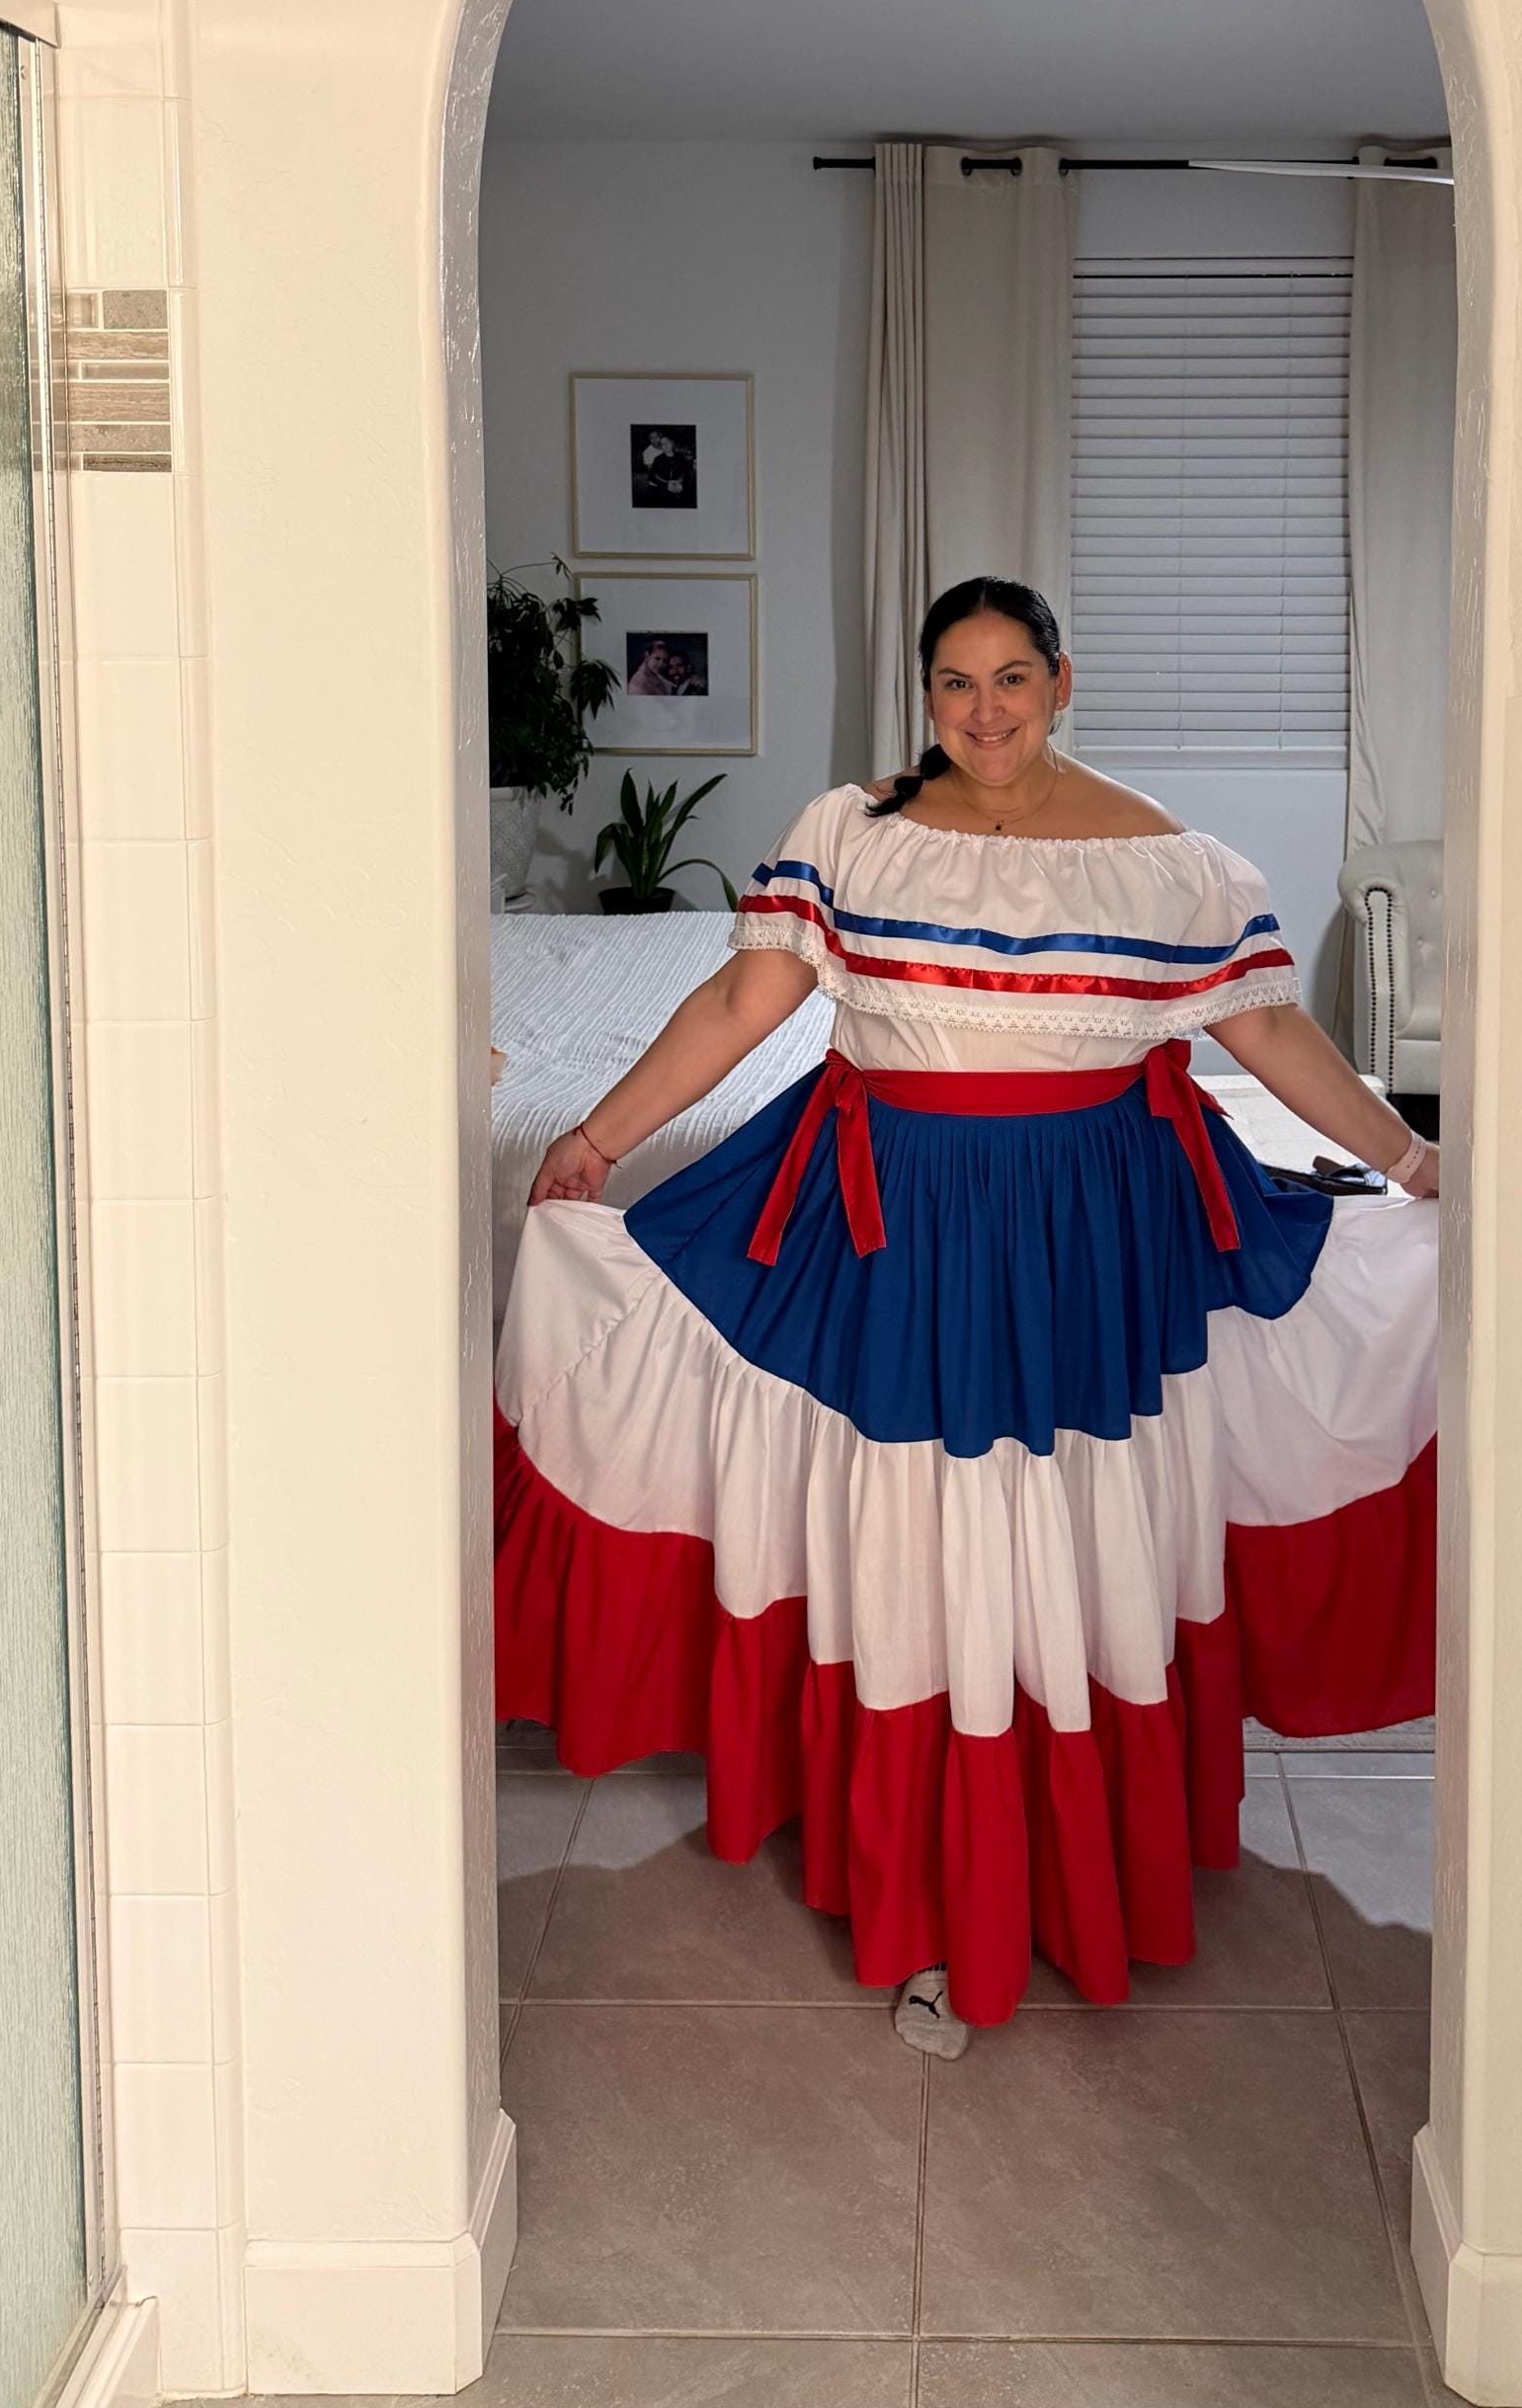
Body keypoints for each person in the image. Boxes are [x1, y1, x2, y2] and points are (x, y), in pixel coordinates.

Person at [495, 576, 1439, 2060]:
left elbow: (1265, 1028)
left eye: (1011, 678)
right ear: (924, 693)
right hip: (900, 1230)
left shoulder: (1171, 863)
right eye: (954, 682)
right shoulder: (851, 834)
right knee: (924, 1539)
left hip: (1096, 1238)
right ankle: (934, 1893)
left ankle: (1079, 1864)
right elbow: (742, 1008)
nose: (984, 711)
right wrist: (597, 1139)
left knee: (1073, 1532)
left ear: (1062, 682)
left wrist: (1410, 1159)